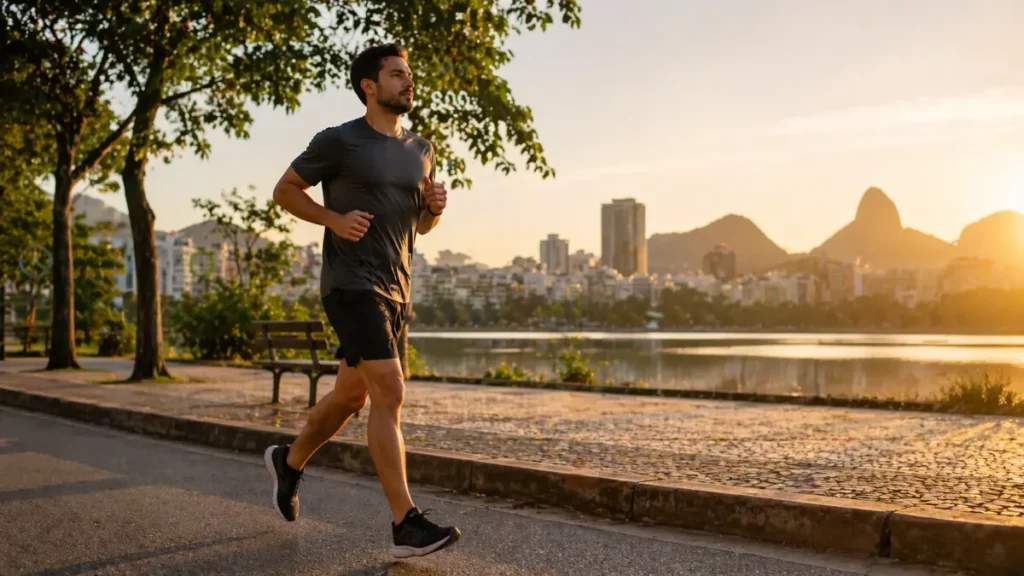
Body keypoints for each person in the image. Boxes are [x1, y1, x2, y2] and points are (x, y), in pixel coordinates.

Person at [263, 43, 460, 559]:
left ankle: (289, 461)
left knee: (353, 397)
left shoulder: (421, 149)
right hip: (350, 283)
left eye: (409, 74)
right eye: (397, 74)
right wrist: (333, 219)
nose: (408, 82)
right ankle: (405, 523)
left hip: (397, 288)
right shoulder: (339, 140)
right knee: (390, 391)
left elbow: (421, 226)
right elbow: (285, 190)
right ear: (369, 86)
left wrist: (434, 209)